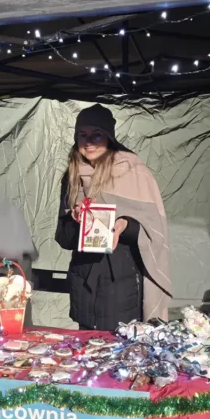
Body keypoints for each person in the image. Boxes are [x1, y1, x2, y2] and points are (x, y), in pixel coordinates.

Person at [55, 104, 172, 330]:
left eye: (97, 135)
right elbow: (63, 237)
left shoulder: (132, 170)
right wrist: (77, 221)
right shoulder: (72, 176)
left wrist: (123, 225)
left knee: (121, 346)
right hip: (84, 284)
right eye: (83, 135)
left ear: (109, 137)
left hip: (121, 285)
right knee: (88, 348)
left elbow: (153, 231)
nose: (89, 142)